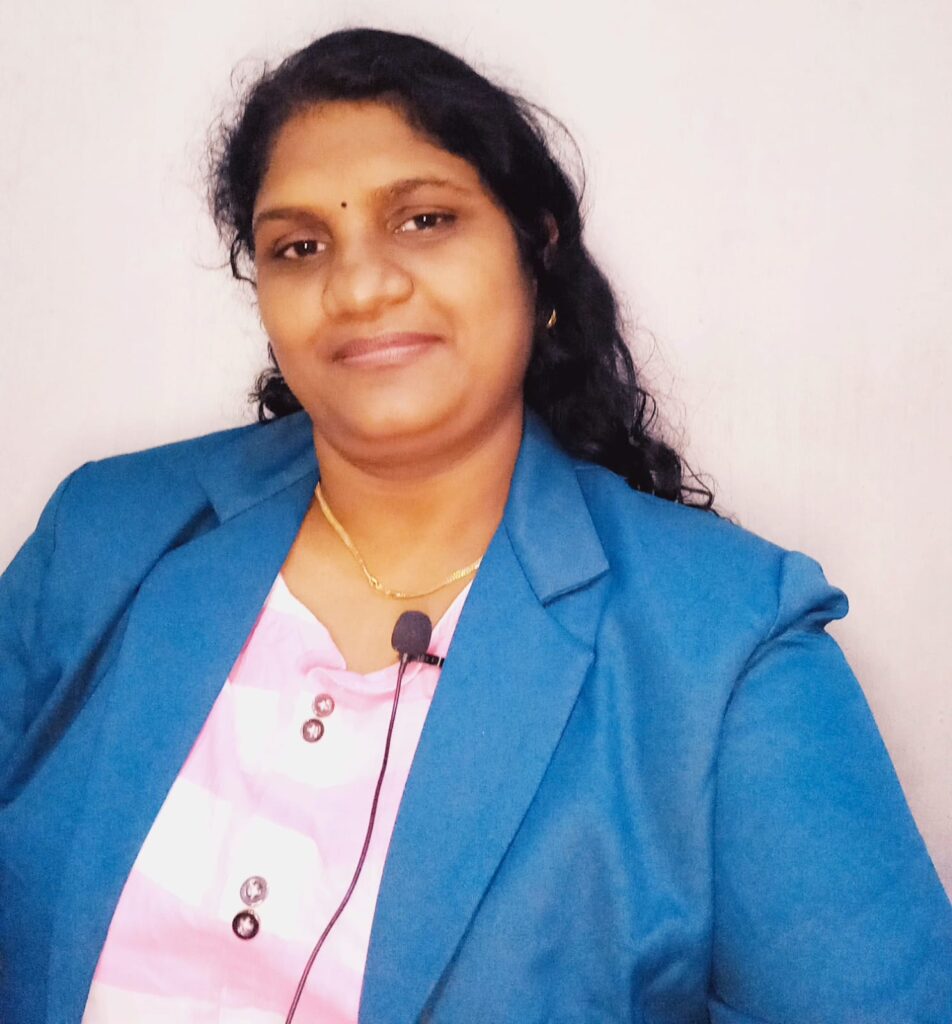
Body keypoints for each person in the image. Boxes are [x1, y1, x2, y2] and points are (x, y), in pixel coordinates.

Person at [1, 26, 949, 1024]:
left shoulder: (725, 652)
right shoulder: (106, 535)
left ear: (537, 250)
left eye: (423, 220)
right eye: (300, 246)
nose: (358, 285)